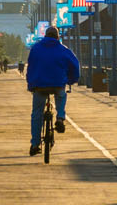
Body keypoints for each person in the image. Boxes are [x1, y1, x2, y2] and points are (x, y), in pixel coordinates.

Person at [24, 26, 80, 156]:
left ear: (45, 36)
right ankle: (60, 117)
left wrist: (30, 84)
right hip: (57, 83)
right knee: (61, 95)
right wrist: (72, 80)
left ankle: (35, 144)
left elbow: (30, 67)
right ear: (57, 37)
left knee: (36, 113)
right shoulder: (63, 50)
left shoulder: (36, 49)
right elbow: (75, 65)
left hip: (39, 85)